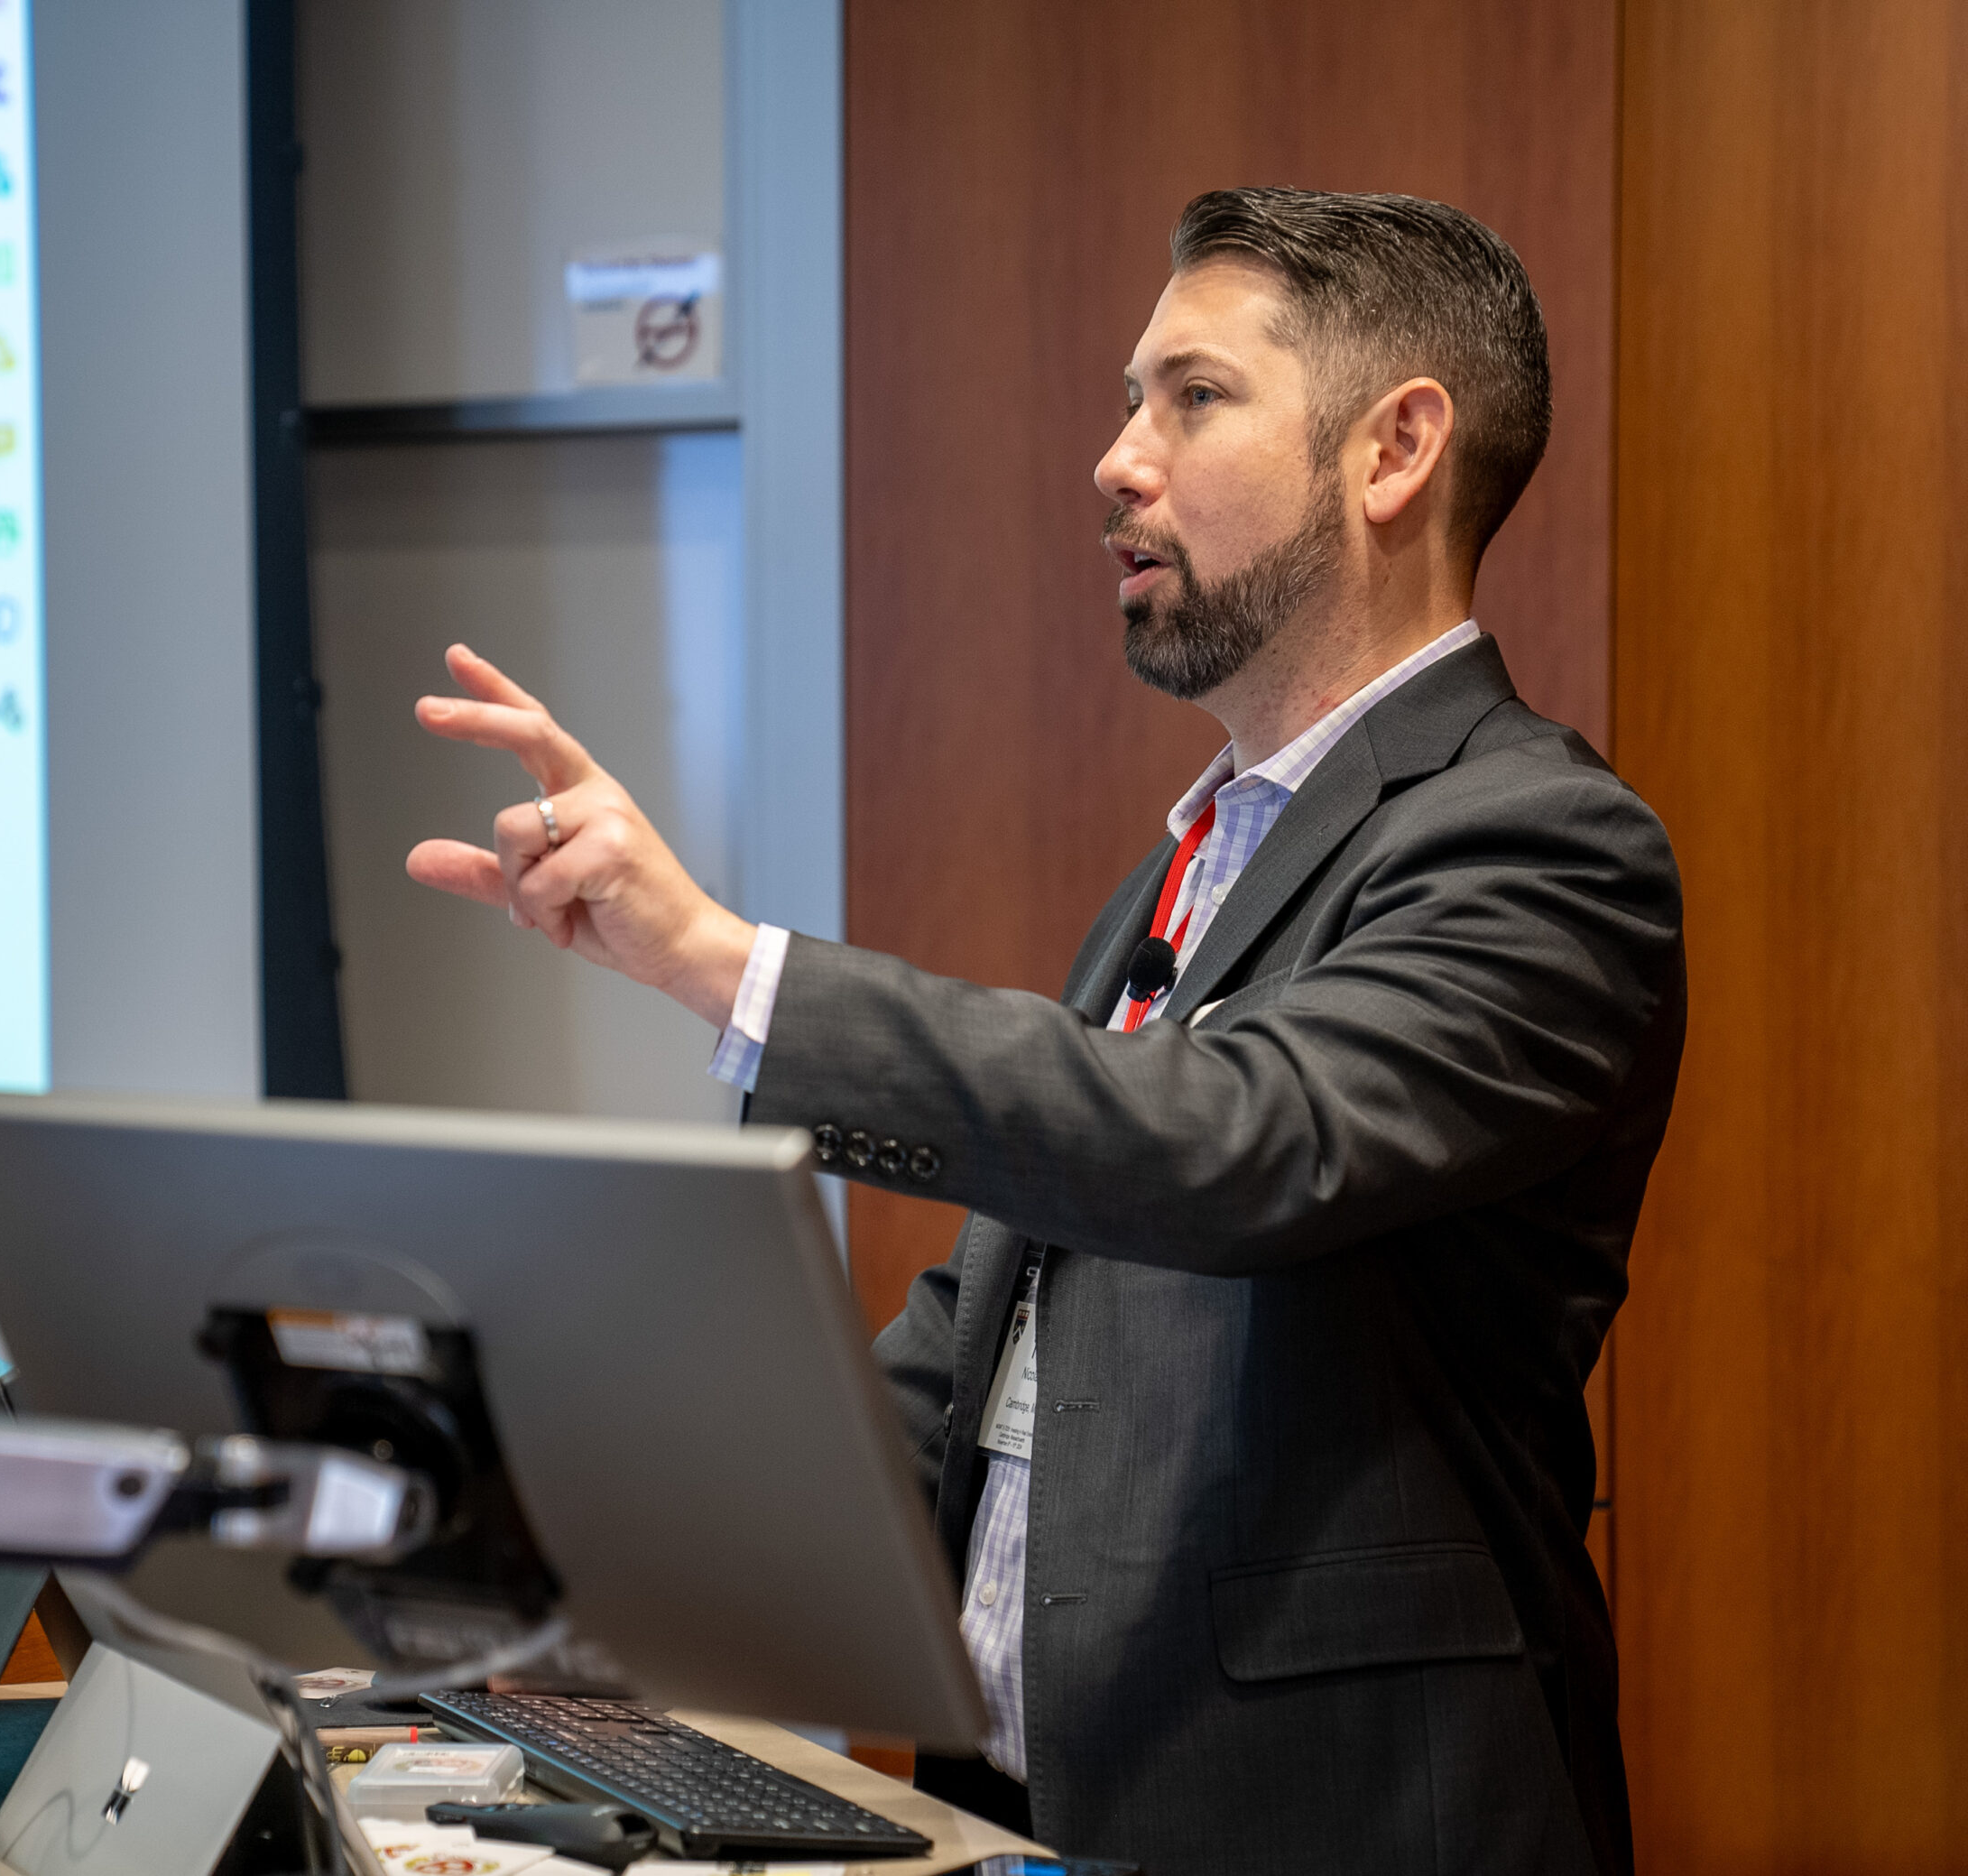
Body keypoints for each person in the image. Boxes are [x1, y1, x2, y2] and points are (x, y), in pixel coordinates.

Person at [405, 188, 1684, 1876]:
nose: (1116, 458)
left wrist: (725, 964)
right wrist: (521, 1528)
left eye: (1192, 397)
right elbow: (985, 1351)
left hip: (1326, 1821)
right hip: (1002, 1817)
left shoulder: (1542, 848)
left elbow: (1233, 1147)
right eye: (1125, 397)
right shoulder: (1189, 868)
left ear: (1396, 452)